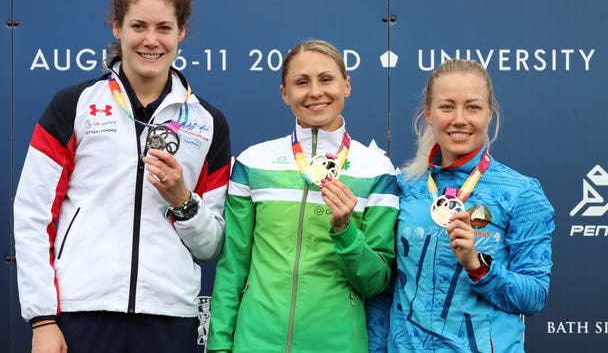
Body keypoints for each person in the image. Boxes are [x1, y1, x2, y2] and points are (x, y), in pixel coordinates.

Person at [14, 0, 231, 353]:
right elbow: (32, 214)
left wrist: (183, 202)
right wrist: (42, 318)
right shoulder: (73, 105)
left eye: (165, 27)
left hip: (171, 318)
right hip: (81, 314)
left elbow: (213, 245)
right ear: (117, 27)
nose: (151, 40)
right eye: (139, 26)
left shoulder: (208, 123)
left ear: (181, 31)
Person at [206, 39, 399, 353]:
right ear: (285, 94)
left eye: (326, 79)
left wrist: (345, 231)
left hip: (338, 344)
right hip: (255, 343)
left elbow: (376, 281)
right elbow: (232, 269)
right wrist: (217, 346)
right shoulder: (254, 162)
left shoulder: (376, 170)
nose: (315, 92)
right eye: (301, 82)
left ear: (347, 85)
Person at [366, 59, 555, 352]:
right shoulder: (403, 186)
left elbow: (534, 296)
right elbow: (384, 291)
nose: (459, 119)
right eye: (446, 106)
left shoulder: (522, 194)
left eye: (473, 107)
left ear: (490, 113)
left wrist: (477, 266)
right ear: (428, 114)